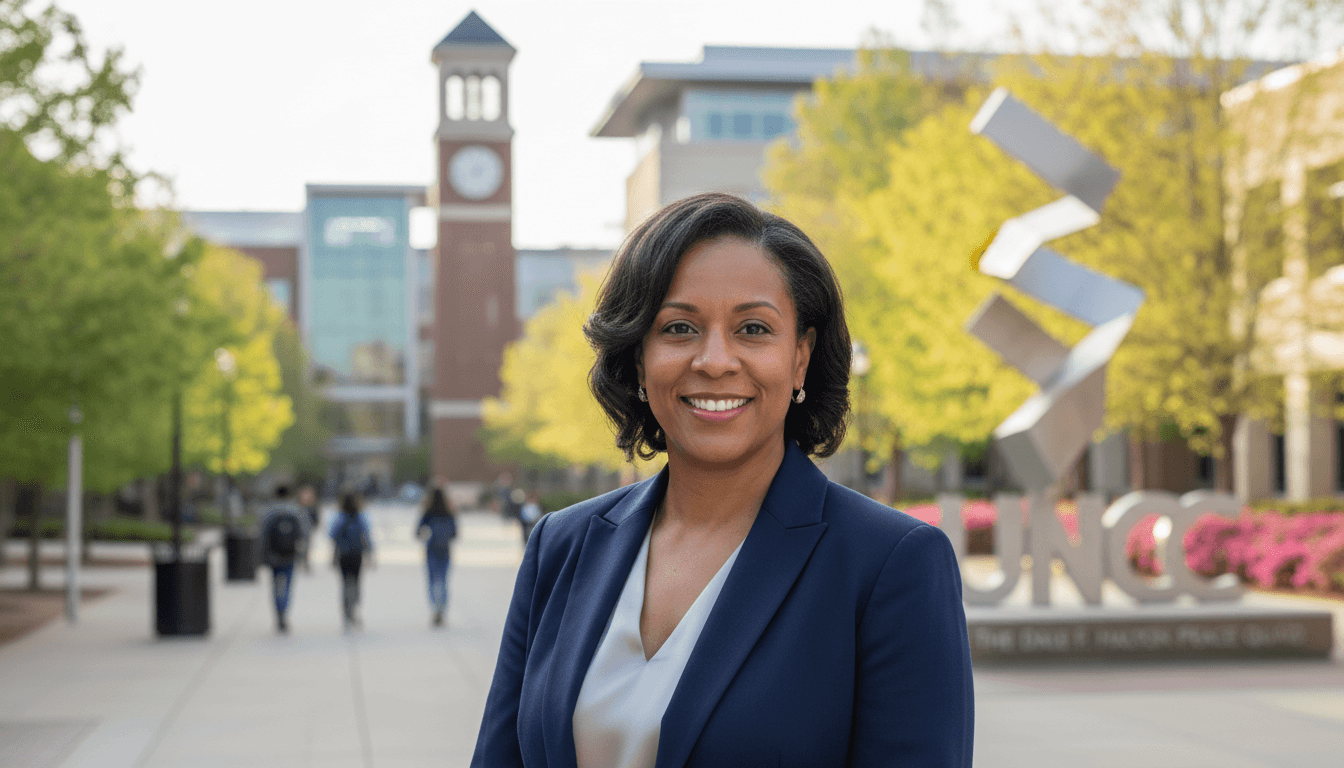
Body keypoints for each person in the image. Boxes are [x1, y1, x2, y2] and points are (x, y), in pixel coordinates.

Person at [471, 193, 973, 768]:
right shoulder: (561, 546)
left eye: (753, 328)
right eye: (679, 328)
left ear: (800, 358)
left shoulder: (890, 566)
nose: (714, 360)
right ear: (639, 358)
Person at [258, 485, 308, 634]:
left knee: (275, 584)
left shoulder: (268, 511)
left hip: (273, 555)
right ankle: (284, 612)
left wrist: (261, 556)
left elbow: (261, 535)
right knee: (287, 584)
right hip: (290, 555)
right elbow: (305, 533)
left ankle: (278, 612)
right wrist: (304, 555)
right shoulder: (297, 511)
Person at [330, 491, 374, 630]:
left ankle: (346, 613)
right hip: (357, 554)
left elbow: (332, 535)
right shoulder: (360, 517)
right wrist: (370, 553)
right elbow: (366, 535)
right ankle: (354, 608)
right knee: (356, 582)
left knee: (345, 583)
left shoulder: (340, 517)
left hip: (343, 554)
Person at [416, 486, 458, 627]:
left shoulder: (427, 512)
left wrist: (427, 535)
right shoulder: (449, 512)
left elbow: (417, 532)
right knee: (443, 580)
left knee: (433, 580)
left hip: (431, 550)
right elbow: (455, 533)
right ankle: (442, 609)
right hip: (445, 550)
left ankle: (435, 607)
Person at [296, 484, 321, 573]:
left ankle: (305, 562)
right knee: (299, 546)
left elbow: (316, 519)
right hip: (298, 530)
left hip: (307, 530)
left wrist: (314, 526)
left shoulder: (313, 507)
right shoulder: (298, 507)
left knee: (306, 547)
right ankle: (299, 561)